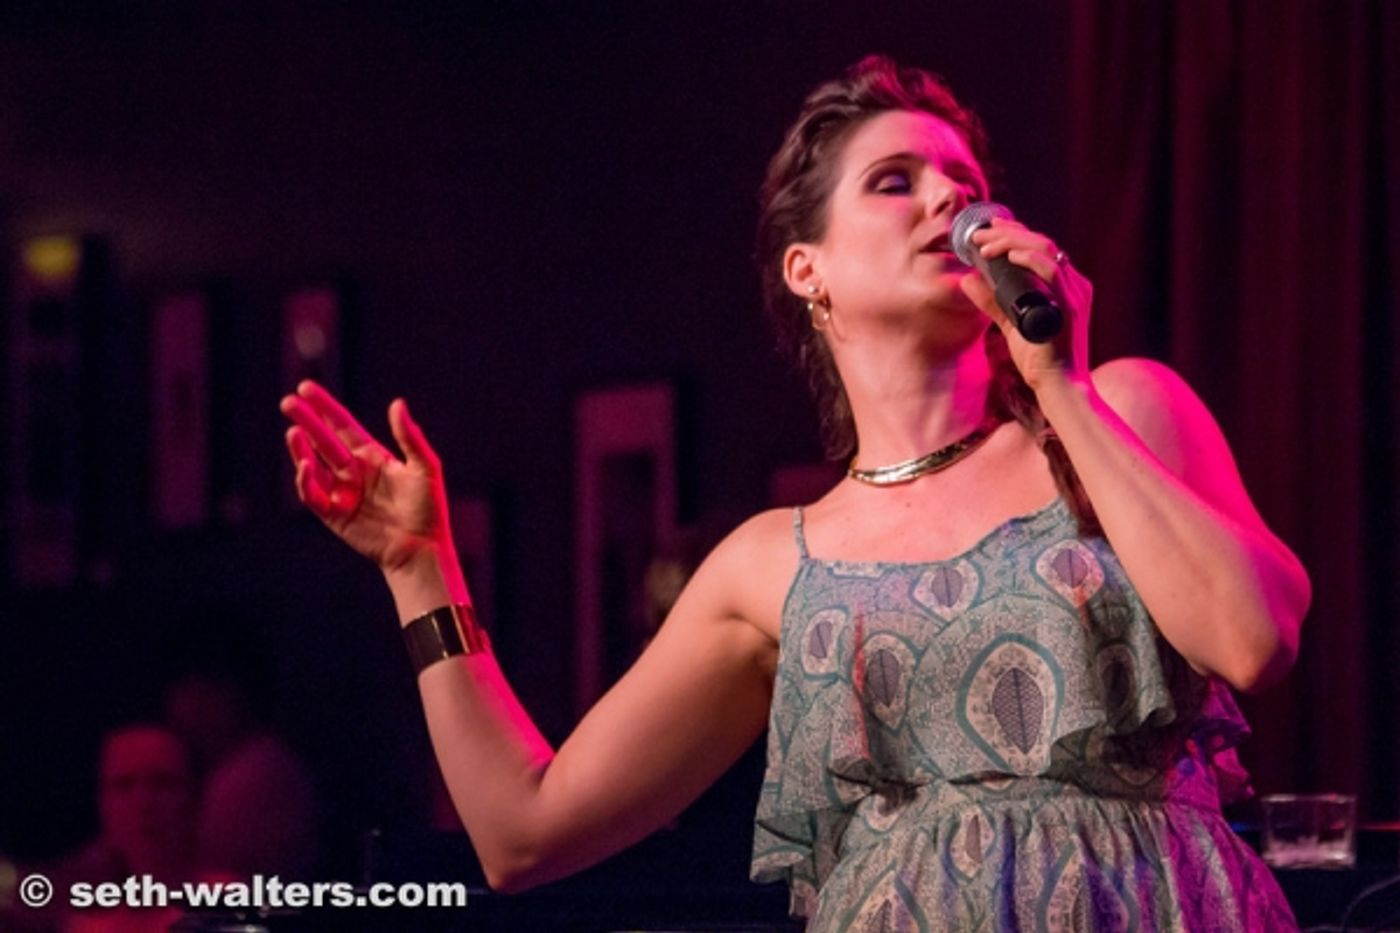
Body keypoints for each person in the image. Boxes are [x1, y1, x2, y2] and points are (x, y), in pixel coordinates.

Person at [280, 56, 1311, 931]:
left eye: (961, 177)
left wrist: (1061, 386)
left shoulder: (1121, 409)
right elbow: (519, 834)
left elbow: (1253, 638)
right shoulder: (771, 562)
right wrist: (423, 572)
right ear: (805, 270)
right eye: (894, 181)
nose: (950, 198)